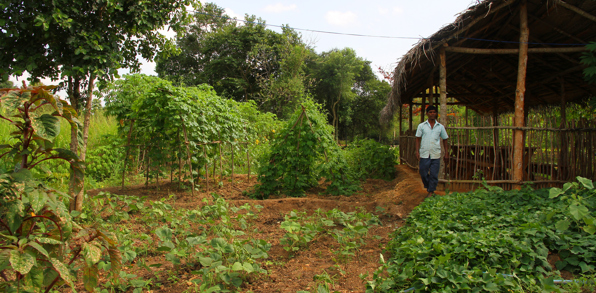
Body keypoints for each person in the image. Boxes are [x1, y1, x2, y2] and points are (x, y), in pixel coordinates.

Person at [415, 105, 449, 198]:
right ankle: (428, 186)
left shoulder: (440, 127)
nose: (432, 114)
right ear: (427, 114)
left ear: (436, 113)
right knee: (423, 172)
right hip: (424, 153)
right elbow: (418, 139)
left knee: (434, 174)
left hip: (435, 154)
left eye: (434, 112)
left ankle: (431, 191)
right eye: (430, 112)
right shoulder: (422, 126)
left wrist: (446, 152)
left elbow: (445, 139)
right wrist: (417, 151)